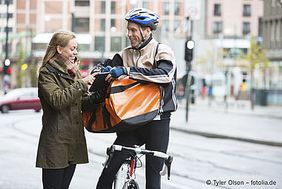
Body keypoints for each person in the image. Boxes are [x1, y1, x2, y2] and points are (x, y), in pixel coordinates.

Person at [96, 8, 177, 189]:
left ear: (147, 31)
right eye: (128, 30)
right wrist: (100, 73)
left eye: (133, 30)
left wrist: (128, 71)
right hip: (133, 120)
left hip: (158, 120)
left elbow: (165, 75)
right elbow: (101, 70)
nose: (129, 34)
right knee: (109, 169)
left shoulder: (161, 50)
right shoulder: (124, 54)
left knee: (153, 177)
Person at [36, 30, 105, 189]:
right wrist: (82, 83)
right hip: (56, 143)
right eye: (72, 48)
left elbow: (80, 103)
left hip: (73, 141)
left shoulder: (73, 72)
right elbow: (57, 100)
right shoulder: (47, 72)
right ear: (59, 49)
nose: (75, 52)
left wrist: (99, 94)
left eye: (76, 49)